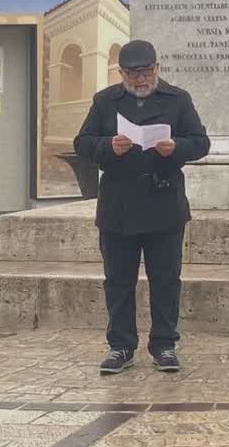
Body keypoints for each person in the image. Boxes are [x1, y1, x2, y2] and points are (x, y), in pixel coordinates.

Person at [73, 40, 211, 374]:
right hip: (118, 204)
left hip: (163, 201)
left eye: (146, 72)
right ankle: (120, 345)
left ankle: (164, 345)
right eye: (132, 74)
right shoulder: (105, 101)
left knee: (165, 279)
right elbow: (82, 144)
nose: (140, 80)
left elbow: (201, 143)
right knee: (118, 281)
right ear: (121, 73)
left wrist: (175, 147)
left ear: (157, 68)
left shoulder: (177, 99)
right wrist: (109, 146)